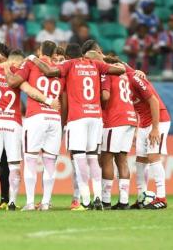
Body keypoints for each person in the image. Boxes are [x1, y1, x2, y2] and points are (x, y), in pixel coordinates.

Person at [31, 43, 126, 210]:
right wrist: (107, 63)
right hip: (95, 116)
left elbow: (48, 71)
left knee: (79, 158)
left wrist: (33, 59)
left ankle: (86, 200)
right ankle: (97, 197)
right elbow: (120, 71)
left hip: (78, 118)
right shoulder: (95, 64)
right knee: (92, 158)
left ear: (68, 56)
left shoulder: (69, 64)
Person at [0, 49, 60, 210]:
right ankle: (13, 202)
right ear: (17, 62)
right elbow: (30, 91)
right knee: (14, 164)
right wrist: (48, 101)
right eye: (21, 63)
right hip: (13, 124)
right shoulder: (19, 76)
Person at [4, 41, 65, 211]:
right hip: (54, 118)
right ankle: (45, 202)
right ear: (54, 54)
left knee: (30, 160)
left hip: (36, 116)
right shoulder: (59, 69)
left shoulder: (31, 63)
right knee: (50, 162)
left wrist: (7, 69)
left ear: (39, 51)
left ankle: (30, 202)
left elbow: (14, 82)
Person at [126, 65, 171, 210]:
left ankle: (161, 197)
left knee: (153, 157)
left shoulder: (133, 78)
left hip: (158, 121)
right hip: (143, 123)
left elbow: (154, 101)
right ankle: (141, 197)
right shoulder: (119, 84)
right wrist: (136, 129)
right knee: (140, 160)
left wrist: (156, 128)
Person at [99, 59, 137, 210]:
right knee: (122, 160)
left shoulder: (107, 72)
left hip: (115, 119)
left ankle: (106, 201)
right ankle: (124, 201)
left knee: (107, 158)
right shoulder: (124, 74)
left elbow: (106, 96)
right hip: (130, 118)